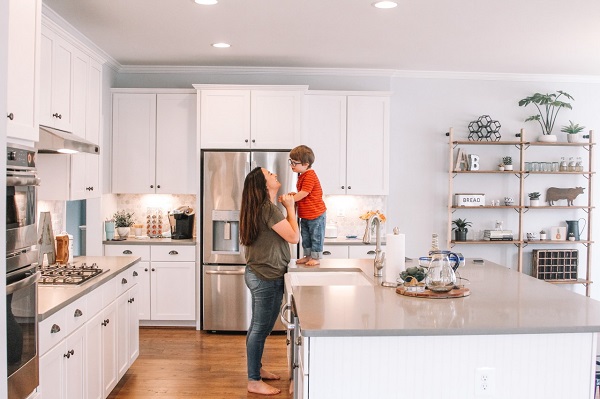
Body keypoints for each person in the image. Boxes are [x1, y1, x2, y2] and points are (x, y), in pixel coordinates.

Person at [240, 166, 299, 395]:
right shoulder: (269, 209)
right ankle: (253, 380)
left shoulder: (259, 208)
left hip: (258, 274)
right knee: (259, 328)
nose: (274, 174)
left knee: (258, 327)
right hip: (266, 277)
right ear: (264, 185)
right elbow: (294, 237)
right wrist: (291, 208)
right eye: (269, 174)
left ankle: (257, 370)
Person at [288, 145, 327, 266]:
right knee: (306, 236)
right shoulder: (302, 175)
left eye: (295, 163)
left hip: (315, 214)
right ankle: (308, 256)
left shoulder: (310, 175)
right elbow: (305, 193)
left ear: (305, 164)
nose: (292, 165)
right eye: (291, 162)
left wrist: (291, 200)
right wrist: (295, 195)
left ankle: (316, 257)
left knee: (316, 236)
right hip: (305, 214)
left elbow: (305, 193)